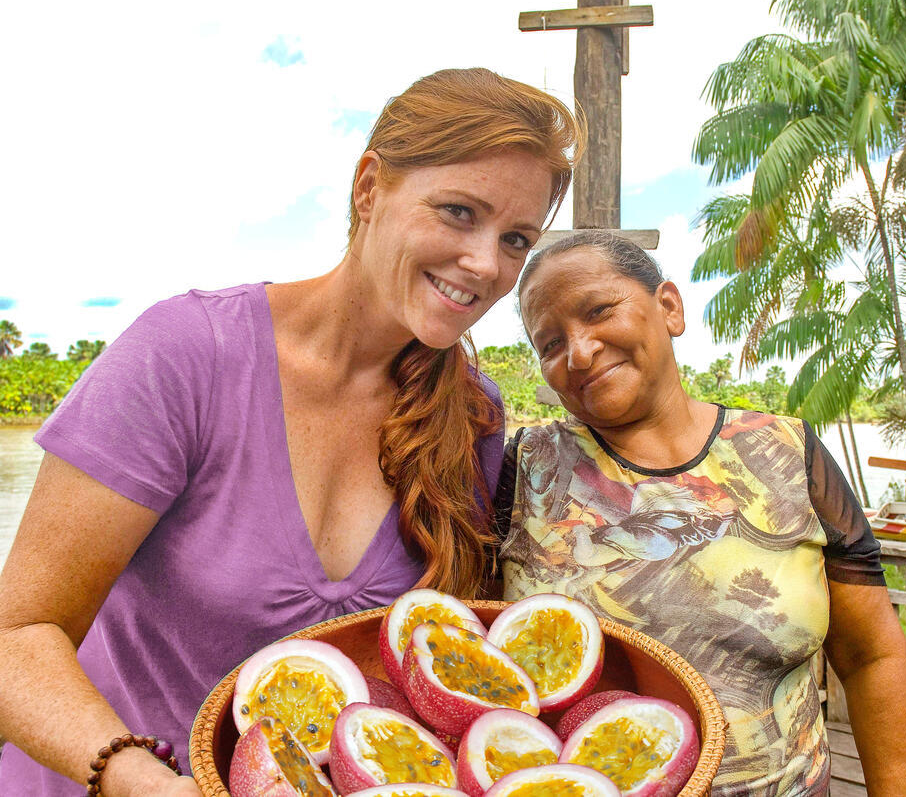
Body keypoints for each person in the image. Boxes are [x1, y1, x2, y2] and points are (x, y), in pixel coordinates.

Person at [0, 68, 582, 795]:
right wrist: (139, 777)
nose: (485, 264)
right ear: (370, 187)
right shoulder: (187, 355)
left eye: (516, 238)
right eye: (460, 212)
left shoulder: (473, 416)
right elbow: (17, 637)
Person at [495, 230, 906, 796]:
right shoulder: (526, 469)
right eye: (549, 344)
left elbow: (872, 658)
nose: (578, 353)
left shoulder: (785, 455)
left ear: (668, 307)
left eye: (599, 311)